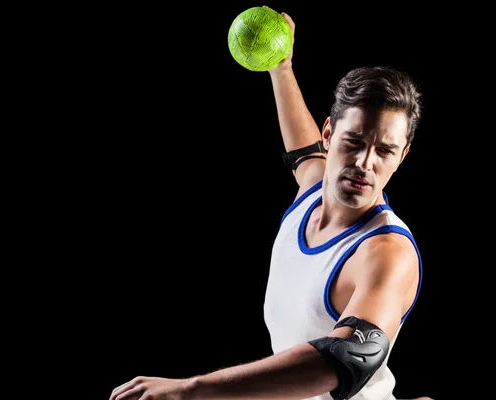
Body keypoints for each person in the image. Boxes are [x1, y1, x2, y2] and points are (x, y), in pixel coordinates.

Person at [109, 9, 431, 400]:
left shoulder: (385, 252)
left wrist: (192, 389)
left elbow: (348, 359)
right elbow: (302, 151)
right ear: (328, 134)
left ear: (403, 157)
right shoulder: (314, 189)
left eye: (385, 151)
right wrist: (282, 68)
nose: (365, 163)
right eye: (353, 141)